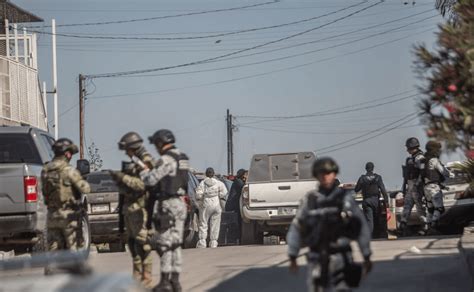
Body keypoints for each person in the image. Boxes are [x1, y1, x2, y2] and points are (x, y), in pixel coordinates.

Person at [287, 157, 372, 291]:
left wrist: (366, 254)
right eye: (322, 173)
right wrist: (292, 255)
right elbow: (296, 227)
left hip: (341, 257)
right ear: (317, 175)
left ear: (334, 174)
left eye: (329, 173)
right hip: (317, 258)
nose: (326, 177)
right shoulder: (310, 200)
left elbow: (361, 227)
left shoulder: (345, 199)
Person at [140, 129, 189, 292]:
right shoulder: (183, 157)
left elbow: (151, 180)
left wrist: (144, 171)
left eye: (156, 144)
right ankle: (175, 281)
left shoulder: (166, 159)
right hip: (181, 203)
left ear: (161, 143)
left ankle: (165, 281)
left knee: (165, 244)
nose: (155, 148)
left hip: (168, 204)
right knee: (176, 244)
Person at [109, 132, 154, 288]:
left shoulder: (146, 161)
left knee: (143, 244)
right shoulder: (134, 161)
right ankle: (137, 274)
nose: (126, 153)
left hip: (141, 208)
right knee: (132, 243)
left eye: (127, 149)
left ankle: (146, 276)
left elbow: (144, 184)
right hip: (129, 208)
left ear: (132, 148)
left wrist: (122, 178)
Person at [41, 138, 90, 252]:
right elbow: (86, 188)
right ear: (67, 154)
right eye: (71, 154)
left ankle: (51, 269)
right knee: (73, 250)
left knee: (53, 250)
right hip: (68, 216)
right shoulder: (69, 170)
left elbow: (44, 192)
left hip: (52, 215)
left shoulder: (46, 170)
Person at [422, 141, 452, 232]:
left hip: (426, 188)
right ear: (434, 150)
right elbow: (444, 171)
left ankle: (428, 227)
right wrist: (450, 175)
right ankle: (434, 225)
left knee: (430, 209)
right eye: (438, 150)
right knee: (439, 208)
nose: (439, 152)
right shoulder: (434, 160)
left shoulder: (424, 161)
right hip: (434, 187)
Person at [400, 137, 427, 235]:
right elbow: (406, 176)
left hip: (416, 184)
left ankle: (426, 226)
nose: (407, 150)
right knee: (407, 205)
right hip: (410, 185)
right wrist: (404, 187)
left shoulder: (420, 158)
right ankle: (402, 226)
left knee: (419, 206)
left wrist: (418, 184)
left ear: (412, 147)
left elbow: (422, 172)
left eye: (408, 147)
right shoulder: (410, 159)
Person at [195, 167, 227, 248]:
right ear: (213, 173)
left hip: (206, 204)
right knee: (215, 224)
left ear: (206, 174)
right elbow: (224, 193)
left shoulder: (202, 183)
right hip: (216, 204)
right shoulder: (219, 183)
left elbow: (198, 195)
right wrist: (218, 195)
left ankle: (202, 242)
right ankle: (213, 242)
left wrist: (201, 198)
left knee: (203, 223)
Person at [355, 162, 389, 235]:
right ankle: (377, 234)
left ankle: (370, 235)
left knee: (369, 220)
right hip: (376, 201)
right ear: (373, 168)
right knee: (377, 218)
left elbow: (356, 189)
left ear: (366, 168)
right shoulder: (378, 177)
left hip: (366, 201)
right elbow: (383, 189)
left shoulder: (362, 178)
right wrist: (386, 201)